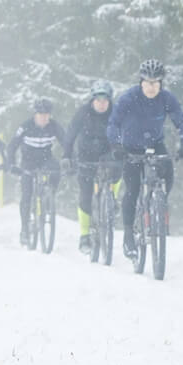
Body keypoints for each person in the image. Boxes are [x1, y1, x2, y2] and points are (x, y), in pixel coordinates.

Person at [106, 59, 183, 259]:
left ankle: (157, 207)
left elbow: (180, 119)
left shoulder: (166, 98)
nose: (152, 87)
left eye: (156, 83)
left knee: (168, 174)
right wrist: (116, 144)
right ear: (141, 82)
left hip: (155, 144)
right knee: (132, 189)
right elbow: (114, 123)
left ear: (161, 83)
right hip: (130, 147)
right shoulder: (129, 98)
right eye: (148, 82)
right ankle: (128, 234)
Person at [63, 80, 120, 253]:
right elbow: (70, 135)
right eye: (98, 100)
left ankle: (112, 199)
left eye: (105, 100)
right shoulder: (83, 113)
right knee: (86, 196)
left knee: (118, 169)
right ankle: (84, 236)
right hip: (86, 156)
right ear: (93, 100)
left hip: (108, 153)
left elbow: (126, 132)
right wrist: (67, 156)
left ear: (109, 100)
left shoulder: (116, 113)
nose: (102, 104)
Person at [6, 98, 65, 245]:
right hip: (28, 161)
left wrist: (71, 159)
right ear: (35, 114)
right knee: (26, 195)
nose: (44, 117)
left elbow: (66, 142)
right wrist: (11, 164)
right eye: (40, 114)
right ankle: (25, 229)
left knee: (56, 169)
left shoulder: (54, 126)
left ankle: (49, 195)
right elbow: (12, 146)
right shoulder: (25, 126)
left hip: (46, 158)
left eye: (47, 114)